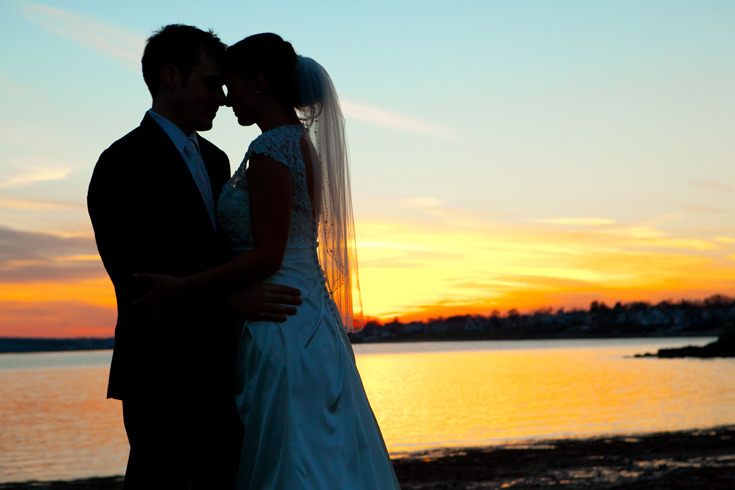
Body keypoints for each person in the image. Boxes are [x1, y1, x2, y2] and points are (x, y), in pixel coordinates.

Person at [136, 33, 402, 489]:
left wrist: (182, 288)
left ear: (258, 83)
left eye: (232, 85)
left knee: (290, 457)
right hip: (308, 317)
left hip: (280, 323)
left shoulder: (269, 152)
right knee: (321, 452)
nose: (226, 98)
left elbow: (268, 254)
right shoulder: (297, 145)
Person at [87, 25, 300, 489]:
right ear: (170, 77)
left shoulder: (219, 160)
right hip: (162, 373)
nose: (222, 98)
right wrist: (228, 303)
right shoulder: (120, 163)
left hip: (229, 367)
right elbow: (136, 280)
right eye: (210, 84)